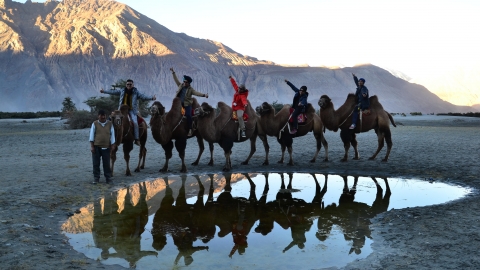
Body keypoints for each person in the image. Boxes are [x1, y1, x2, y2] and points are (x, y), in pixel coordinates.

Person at [100, 79, 156, 146]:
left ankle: (136, 139)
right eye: (127, 84)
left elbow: (143, 96)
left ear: (133, 85)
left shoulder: (136, 92)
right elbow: (113, 92)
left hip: (131, 110)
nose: (129, 85)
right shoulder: (122, 91)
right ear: (126, 85)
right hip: (121, 109)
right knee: (111, 118)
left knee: (135, 122)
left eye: (130, 84)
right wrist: (104, 91)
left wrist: (151, 98)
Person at [170, 68, 209, 136]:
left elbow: (196, 93)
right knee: (172, 113)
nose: (185, 83)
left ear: (189, 83)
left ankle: (190, 129)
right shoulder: (180, 85)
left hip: (187, 105)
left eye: (186, 82)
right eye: (184, 81)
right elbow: (176, 80)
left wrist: (204, 95)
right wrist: (173, 72)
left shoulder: (191, 89)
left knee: (188, 115)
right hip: (179, 104)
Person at [89, 110, 116, 184]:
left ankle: (108, 178)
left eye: (104, 115)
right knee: (96, 163)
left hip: (106, 147)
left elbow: (112, 134)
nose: (103, 117)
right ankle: (96, 178)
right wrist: (92, 146)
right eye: (101, 115)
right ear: (98, 116)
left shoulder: (110, 124)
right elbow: (91, 135)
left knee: (106, 163)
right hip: (96, 147)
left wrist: (113, 144)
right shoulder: (95, 123)